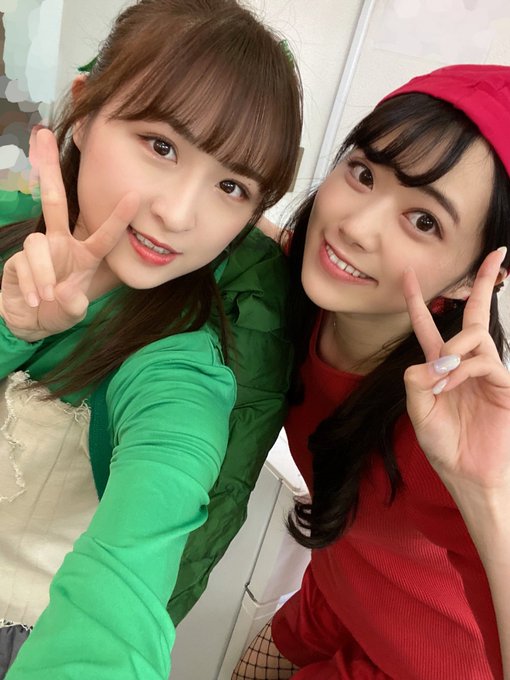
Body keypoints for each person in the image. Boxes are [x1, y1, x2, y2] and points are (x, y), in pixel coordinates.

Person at [0, 0, 303, 677]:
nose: (179, 213)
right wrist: (11, 329)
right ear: (85, 109)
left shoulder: (184, 365)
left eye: (231, 185)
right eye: (161, 146)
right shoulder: (8, 232)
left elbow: (142, 544)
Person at [232, 64, 510, 679]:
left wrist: (488, 493)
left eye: (424, 220)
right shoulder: (310, 292)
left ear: (472, 277)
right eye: (363, 174)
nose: (354, 228)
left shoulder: (452, 429)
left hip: (433, 663)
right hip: (338, 596)